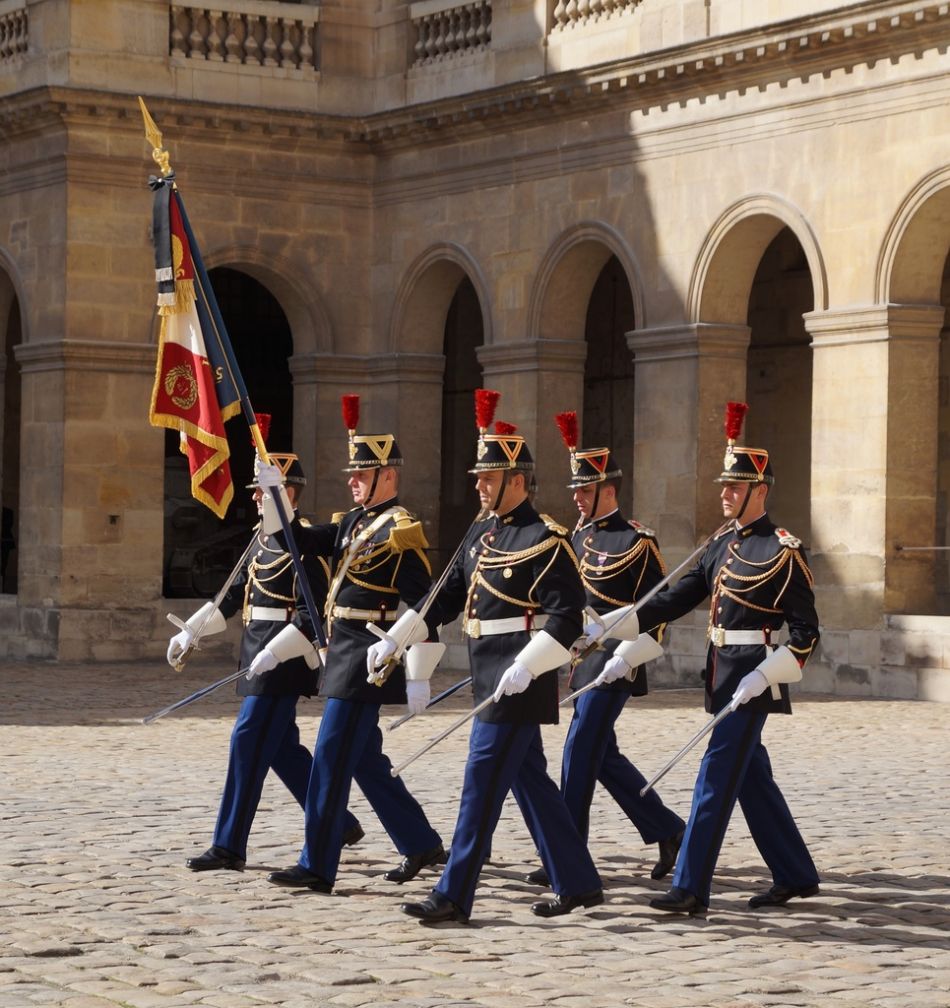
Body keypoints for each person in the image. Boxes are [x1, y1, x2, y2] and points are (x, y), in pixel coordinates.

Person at [390, 390, 603, 923]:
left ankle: (454, 893)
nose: (479, 485)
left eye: (488, 478)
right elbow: (441, 596)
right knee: (531, 783)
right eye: (478, 477)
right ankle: (579, 881)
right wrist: (396, 637)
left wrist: (529, 665)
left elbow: (566, 617)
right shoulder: (480, 536)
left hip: (519, 679)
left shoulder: (547, 538)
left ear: (517, 480)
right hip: (490, 677)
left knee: (479, 788)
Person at [634, 402, 820, 915]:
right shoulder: (721, 543)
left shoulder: (784, 552)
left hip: (754, 680)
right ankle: (795, 872)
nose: (723, 494)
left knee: (714, 777)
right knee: (752, 778)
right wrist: (625, 620)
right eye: (724, 486)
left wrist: (766, 674)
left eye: (734, 488)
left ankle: (691, 887)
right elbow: (680, 595)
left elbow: (806, 632)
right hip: (721, 675)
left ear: (759, 491)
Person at [266, 396, 445, 894]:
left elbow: (423, 607)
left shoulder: (400, 529)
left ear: (389, 476)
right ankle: (420, 841)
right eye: (353, 474)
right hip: (339, 653)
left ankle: (317, 864)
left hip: (366, 659)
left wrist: (413, 668)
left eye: (363, 474)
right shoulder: (351, 522)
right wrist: (274, 502)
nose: (353, 480)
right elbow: (300, 544)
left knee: (328, 759)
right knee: (364, 760)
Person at [166, 451, 364, 872]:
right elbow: (235, 595)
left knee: (247, 741)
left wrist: (277, 652)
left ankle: (229, 845)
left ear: (288, 493)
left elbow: (314, 615)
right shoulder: (261, 539)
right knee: (281, 750)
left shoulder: (303, 543)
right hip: (256, 652)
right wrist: (192, 632)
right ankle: (339, 823)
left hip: (285, 661)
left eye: (263, 491)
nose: (256, 498)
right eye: (256, 492)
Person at [522, 413, 686, 889]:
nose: (576, 496)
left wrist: (630, 656)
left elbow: (662, 610)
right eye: (575, 489)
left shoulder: (637, 540)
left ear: (607, 490)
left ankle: (566, 852)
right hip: (580, 658)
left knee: (578, 750)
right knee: (602, 755)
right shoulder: (576, 537)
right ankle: (668, 829)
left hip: (618, 659)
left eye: (584, 489)